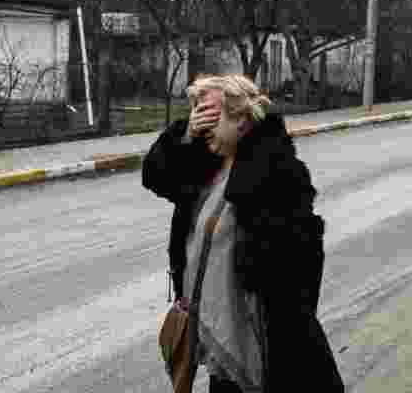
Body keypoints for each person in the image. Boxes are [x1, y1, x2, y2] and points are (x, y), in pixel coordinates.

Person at [143, 74, 343, 393]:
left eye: (210, 114)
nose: (202, 122)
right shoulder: (205, 164)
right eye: (196, 112)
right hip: (220, 342)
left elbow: (301, 266)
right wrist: (185, 133)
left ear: (242, 121)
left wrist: (274, 323)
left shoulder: (274, 172)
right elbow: (155, 176)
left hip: (258, 342)